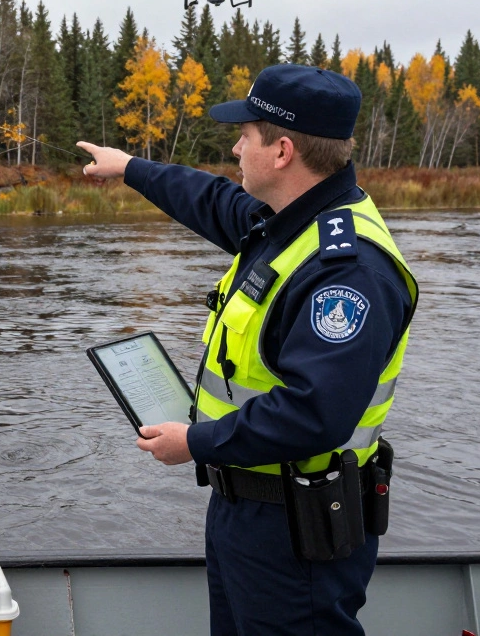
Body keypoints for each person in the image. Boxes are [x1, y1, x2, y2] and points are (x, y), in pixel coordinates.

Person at [79, 64, 417, 635]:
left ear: (282, 150)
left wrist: (196, 442)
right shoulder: (286, 222)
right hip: (247, 510)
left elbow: (314, 413)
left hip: (298, 531)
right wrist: (130, 167)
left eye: (246, 135)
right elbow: (207, 199)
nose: (236, 148)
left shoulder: (347, 270)